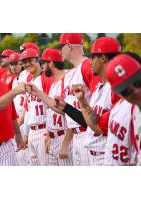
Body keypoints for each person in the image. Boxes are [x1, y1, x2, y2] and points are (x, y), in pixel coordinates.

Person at [64, 36, 121, 165]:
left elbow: (98, 128)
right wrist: (82, 100)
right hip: (93, 154)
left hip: (107, 156)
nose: (90, 62)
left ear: (103, 58)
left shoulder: (117, 90)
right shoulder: (100, 88)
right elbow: (92, 122)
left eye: (93, 57)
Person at [54, 33, 101, 165]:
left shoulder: (87, 66)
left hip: (89, 132)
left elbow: (100, 106)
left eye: (61, 47)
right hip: (75, 135)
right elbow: (67, 111)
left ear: (69, 46)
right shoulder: (69, 74)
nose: (59, 51)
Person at [26, 48, 73, 166]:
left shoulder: (67, 82)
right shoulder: (53, 85)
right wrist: (49, 134)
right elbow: (51, 113)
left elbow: (71, 116)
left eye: (43, 63)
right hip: (53, 138)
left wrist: (65, 144)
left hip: (64, 137)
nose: (41, 66)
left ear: (51, 63)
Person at [105, 53, 141, 165]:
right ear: (120, 95)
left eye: (138, 82)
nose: (136, 91)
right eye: (127, 91)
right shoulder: (136, 112)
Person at [20, 48, 53, 165]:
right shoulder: (29, 79)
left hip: (44, 131)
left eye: (30, 60)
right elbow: (29, 110)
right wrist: (25, 134)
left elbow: (53, 107)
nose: (27, 64)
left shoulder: (46, 78)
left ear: (37, 59)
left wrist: (50, 133)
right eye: (24, 61)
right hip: (32, 133)